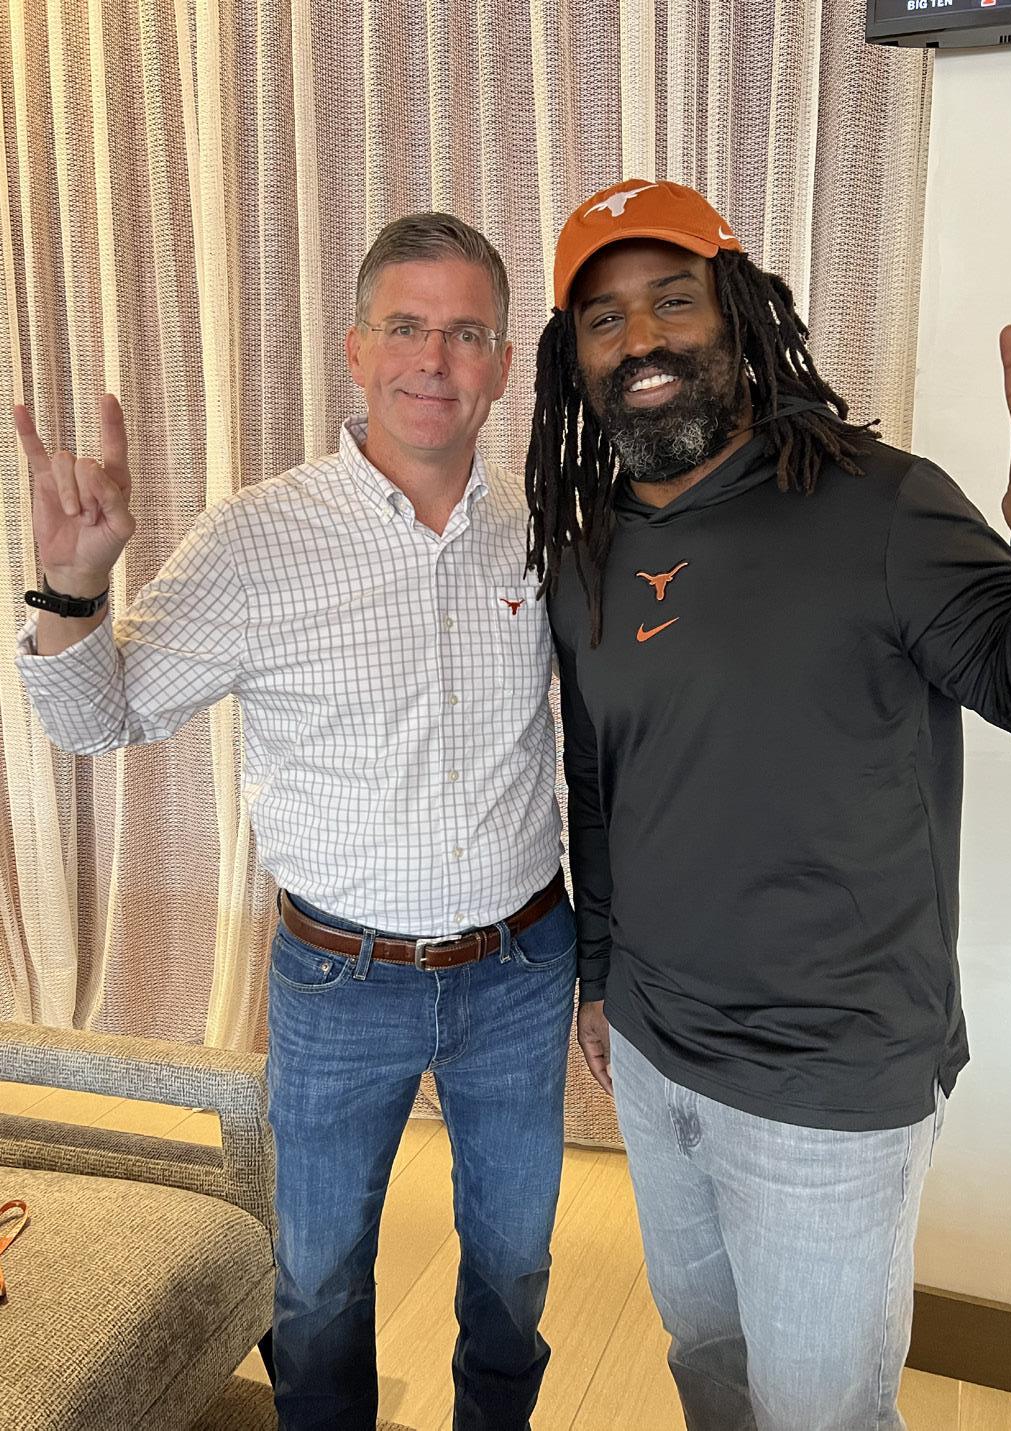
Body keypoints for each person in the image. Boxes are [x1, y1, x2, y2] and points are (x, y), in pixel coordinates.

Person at [524, 178, 1011, 1431]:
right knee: (708, 1361)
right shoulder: (586, 545)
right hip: (652, 1051)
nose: (639, 340)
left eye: (672, 300)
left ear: (739, 315)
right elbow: (597, 782)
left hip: (828, 1083)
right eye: (603, 318)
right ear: (572, 359)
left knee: (820, 1413)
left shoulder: (879, 502)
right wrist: (597, 980)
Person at [14, 213, 574, 1431]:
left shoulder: (546, 523)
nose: (434, 358)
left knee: (515, 1268)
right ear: (354, 350)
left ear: (500, 363)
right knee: (317, 1280)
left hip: (523, 967)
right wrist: (72, 588)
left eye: (465, 333)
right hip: (339, 980)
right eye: (405, 327)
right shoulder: (257, 536)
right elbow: (99, 719)